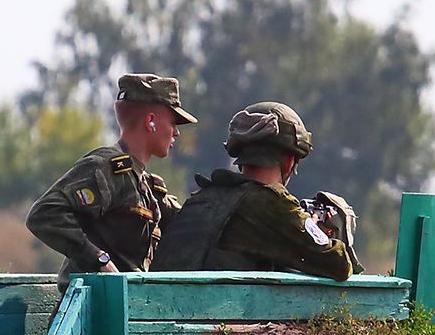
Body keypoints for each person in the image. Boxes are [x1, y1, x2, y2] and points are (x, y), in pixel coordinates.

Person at [151, 101, 361, 281]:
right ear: (289, 162)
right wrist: (316, 229)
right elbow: (339, 264)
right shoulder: (271, 204)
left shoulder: (202, 198)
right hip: (213, 325)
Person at [26, 73, 197, 290]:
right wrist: (98, 260)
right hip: (91, 312)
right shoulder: (107, 168)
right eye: (173, 122)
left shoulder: (149, 187)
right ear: (150, 121)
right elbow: (45, 214)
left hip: (124, 309)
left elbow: (188, 225)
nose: (177, 132)